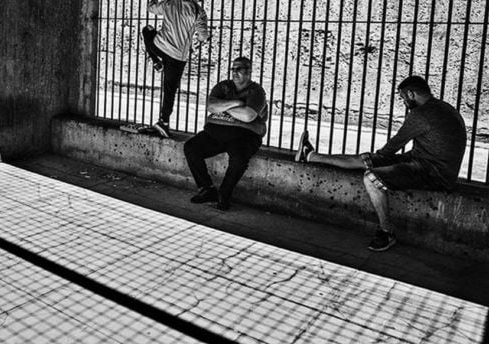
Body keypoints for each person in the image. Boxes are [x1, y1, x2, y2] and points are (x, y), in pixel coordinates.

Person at [294, 75, 466, 252]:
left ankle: (387, 231)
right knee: (369, 160)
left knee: (371, 178)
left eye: (403, 98)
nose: (404, 102)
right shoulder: (444, 108)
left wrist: (378, 158)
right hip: (430, 165)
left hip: (433, 174)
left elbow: (395, 144)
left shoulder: (421, 115)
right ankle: (310, 156)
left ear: (411, 94)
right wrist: (376, 158)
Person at [184, 57, 268, 210]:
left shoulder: (256, 91)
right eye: (233, 69)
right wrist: (237, 103)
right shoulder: (223, 86)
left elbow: (248, 116)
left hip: (245, 135)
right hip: (215, 132)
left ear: (248, 71)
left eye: (239, 69)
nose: (235, 72)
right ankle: (206, 189)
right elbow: (211, 106)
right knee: (191, 147)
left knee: (239, 159)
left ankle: (224, 193)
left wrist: (222, 106)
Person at [142, 0, 210, 137]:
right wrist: (195, 36)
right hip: (178, 56)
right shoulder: (199, 12)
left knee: (147, 30)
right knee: (170, 90)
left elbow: (150, 8)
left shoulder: (170, 2)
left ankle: (155, 61)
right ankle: (164, 122)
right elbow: (203, 36)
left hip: (159, 46)